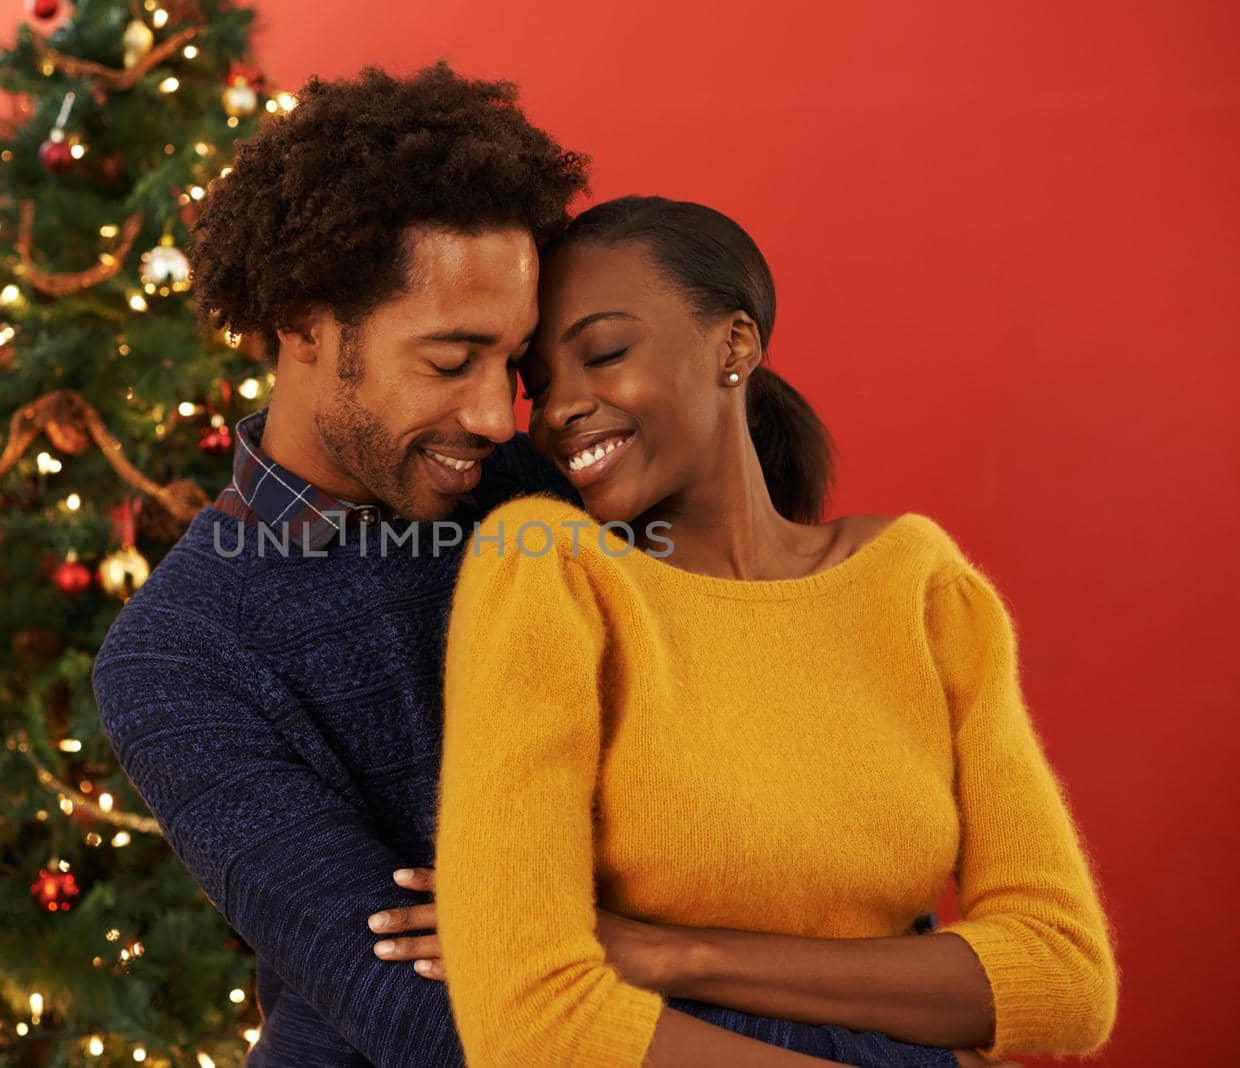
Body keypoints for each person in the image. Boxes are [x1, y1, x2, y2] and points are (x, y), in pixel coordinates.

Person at [91, 67, 972, 1067]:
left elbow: (794, 845)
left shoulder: (562, 487)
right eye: (445, 361)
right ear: (303, 325)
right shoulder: (179, 655)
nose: (490, 417)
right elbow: (422, 1010)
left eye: (507, 366)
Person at [430, 196, 1120, 1067]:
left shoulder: (917, 585)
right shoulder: (548, 569)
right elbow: (531, 1027)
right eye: (540, 382)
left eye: (604, 353)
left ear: (736, 345)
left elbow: (1064, 980)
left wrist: (676, 954)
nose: (560, 407)